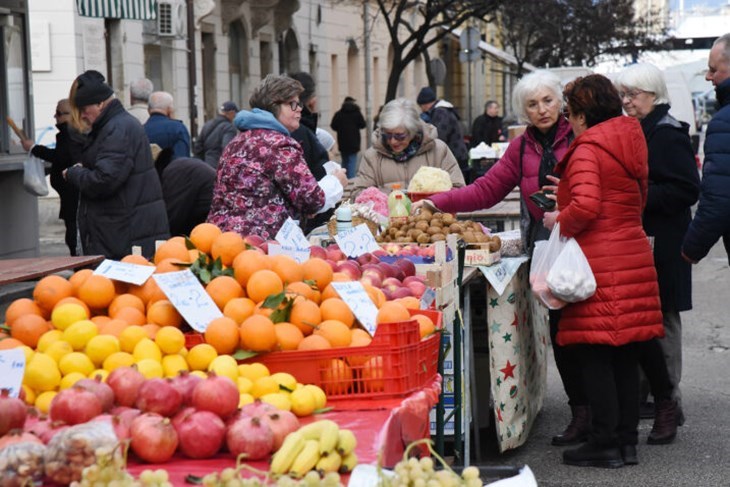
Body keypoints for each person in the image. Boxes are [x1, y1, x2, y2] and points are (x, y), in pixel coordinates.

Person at [412, 71, 585, 448]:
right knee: (563, 331)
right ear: (521, 110)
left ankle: (613, 415)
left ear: (561, 102)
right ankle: (581, 413)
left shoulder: (580, 136)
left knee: (588, 329)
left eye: (547, 101)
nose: (541, 110)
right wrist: (435, 202)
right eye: (532, 104)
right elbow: (487, 190)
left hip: (584, 241)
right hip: (546, 246)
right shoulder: (521, 147)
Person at [542, 74, 663, 468]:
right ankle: (626, 443)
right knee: (625, 354)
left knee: (594, 353)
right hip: (631, 255)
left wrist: (558, 218)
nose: (568, 121)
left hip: (599, 263)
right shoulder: (629, 139)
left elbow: (588, 207)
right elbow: (627, 197)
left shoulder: (589, 148)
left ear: (582, 114)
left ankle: (603, 442)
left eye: (570, 113)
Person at [615, 63, 700, 444]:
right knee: (643, 320)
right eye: (624, 95)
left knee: (663, 320)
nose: (627, 101)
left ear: (654, 94)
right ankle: (649, 398)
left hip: (665, 243)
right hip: (643, 241)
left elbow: (687, 190)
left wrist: (639, 196)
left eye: (634, 94)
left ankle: (671, 401)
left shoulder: (666, 134)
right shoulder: (639, 129)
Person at [206, 74, 347, 239]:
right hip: (263, 245)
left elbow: (264, 193)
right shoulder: (280, 145)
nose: (300, 109)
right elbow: (312, 200)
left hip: (223, 239)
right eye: (292, 104)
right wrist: (336, 182)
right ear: (274, 105)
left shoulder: (237, 141)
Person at [64, 70, 169, 259]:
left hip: (125, 234)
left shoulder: (118, 128)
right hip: (123, 229)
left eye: (84, 109)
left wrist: (74, 174)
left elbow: (104, 180)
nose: (83, 116)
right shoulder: (115, 125)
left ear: (100, 103)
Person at [350, 98, 465, 199]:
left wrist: (430, 199)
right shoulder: (372, 156)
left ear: (413, 131)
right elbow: (358, 195)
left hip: (432, 221)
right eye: (388, 135)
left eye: (399, 136)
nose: (393, 141)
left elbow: (458, 189)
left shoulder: (438, 150)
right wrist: (391, 197)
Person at [682, 33, 730, 265]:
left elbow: (719, 197)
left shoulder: (724, 123)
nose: (708, 77)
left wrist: (691, 248)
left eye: (713, 69)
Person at [21, 99, 82, 256]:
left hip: (72, 192)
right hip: (71, 191)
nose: (55, 117)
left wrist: (34, 148)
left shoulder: (69, 133)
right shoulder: (72, 132)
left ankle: (79, 266)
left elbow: (60, 156)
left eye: (59, 113)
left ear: (69, 115)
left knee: (73, 232)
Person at [152, 145, 216, 237]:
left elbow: (173, 219)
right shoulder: (178, 165)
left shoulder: (175, 173)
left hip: (213, 225)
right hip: (212, 221)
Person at [416, 86, 469, 181]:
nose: (422, 110)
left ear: (425, 104)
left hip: (454, 156)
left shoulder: (440, 112)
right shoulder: (444, 110)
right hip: (458, 154)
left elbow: (438, 136)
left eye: (421, 106)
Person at [144, 91, 191, 160]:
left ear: (148, 110)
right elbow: (182, 161)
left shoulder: (140, 130)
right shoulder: (178, 129)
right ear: (169, 109)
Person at [194, 101, 239, 169]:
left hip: (205, 166)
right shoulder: (229, 128)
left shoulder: (207, 124)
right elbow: (227, 149)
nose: (234, 117)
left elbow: (198, 146)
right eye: (235, 114)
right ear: (231, 113)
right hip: (219, 167)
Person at [331, 96, 367, 178]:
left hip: (342, 141)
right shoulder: (357, 113)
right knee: (352, 162)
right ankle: (351, 180)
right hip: (354, 142)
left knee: (344, 161)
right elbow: (363, 125)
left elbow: (333, 126)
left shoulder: (339, 114)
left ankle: (343, 178)